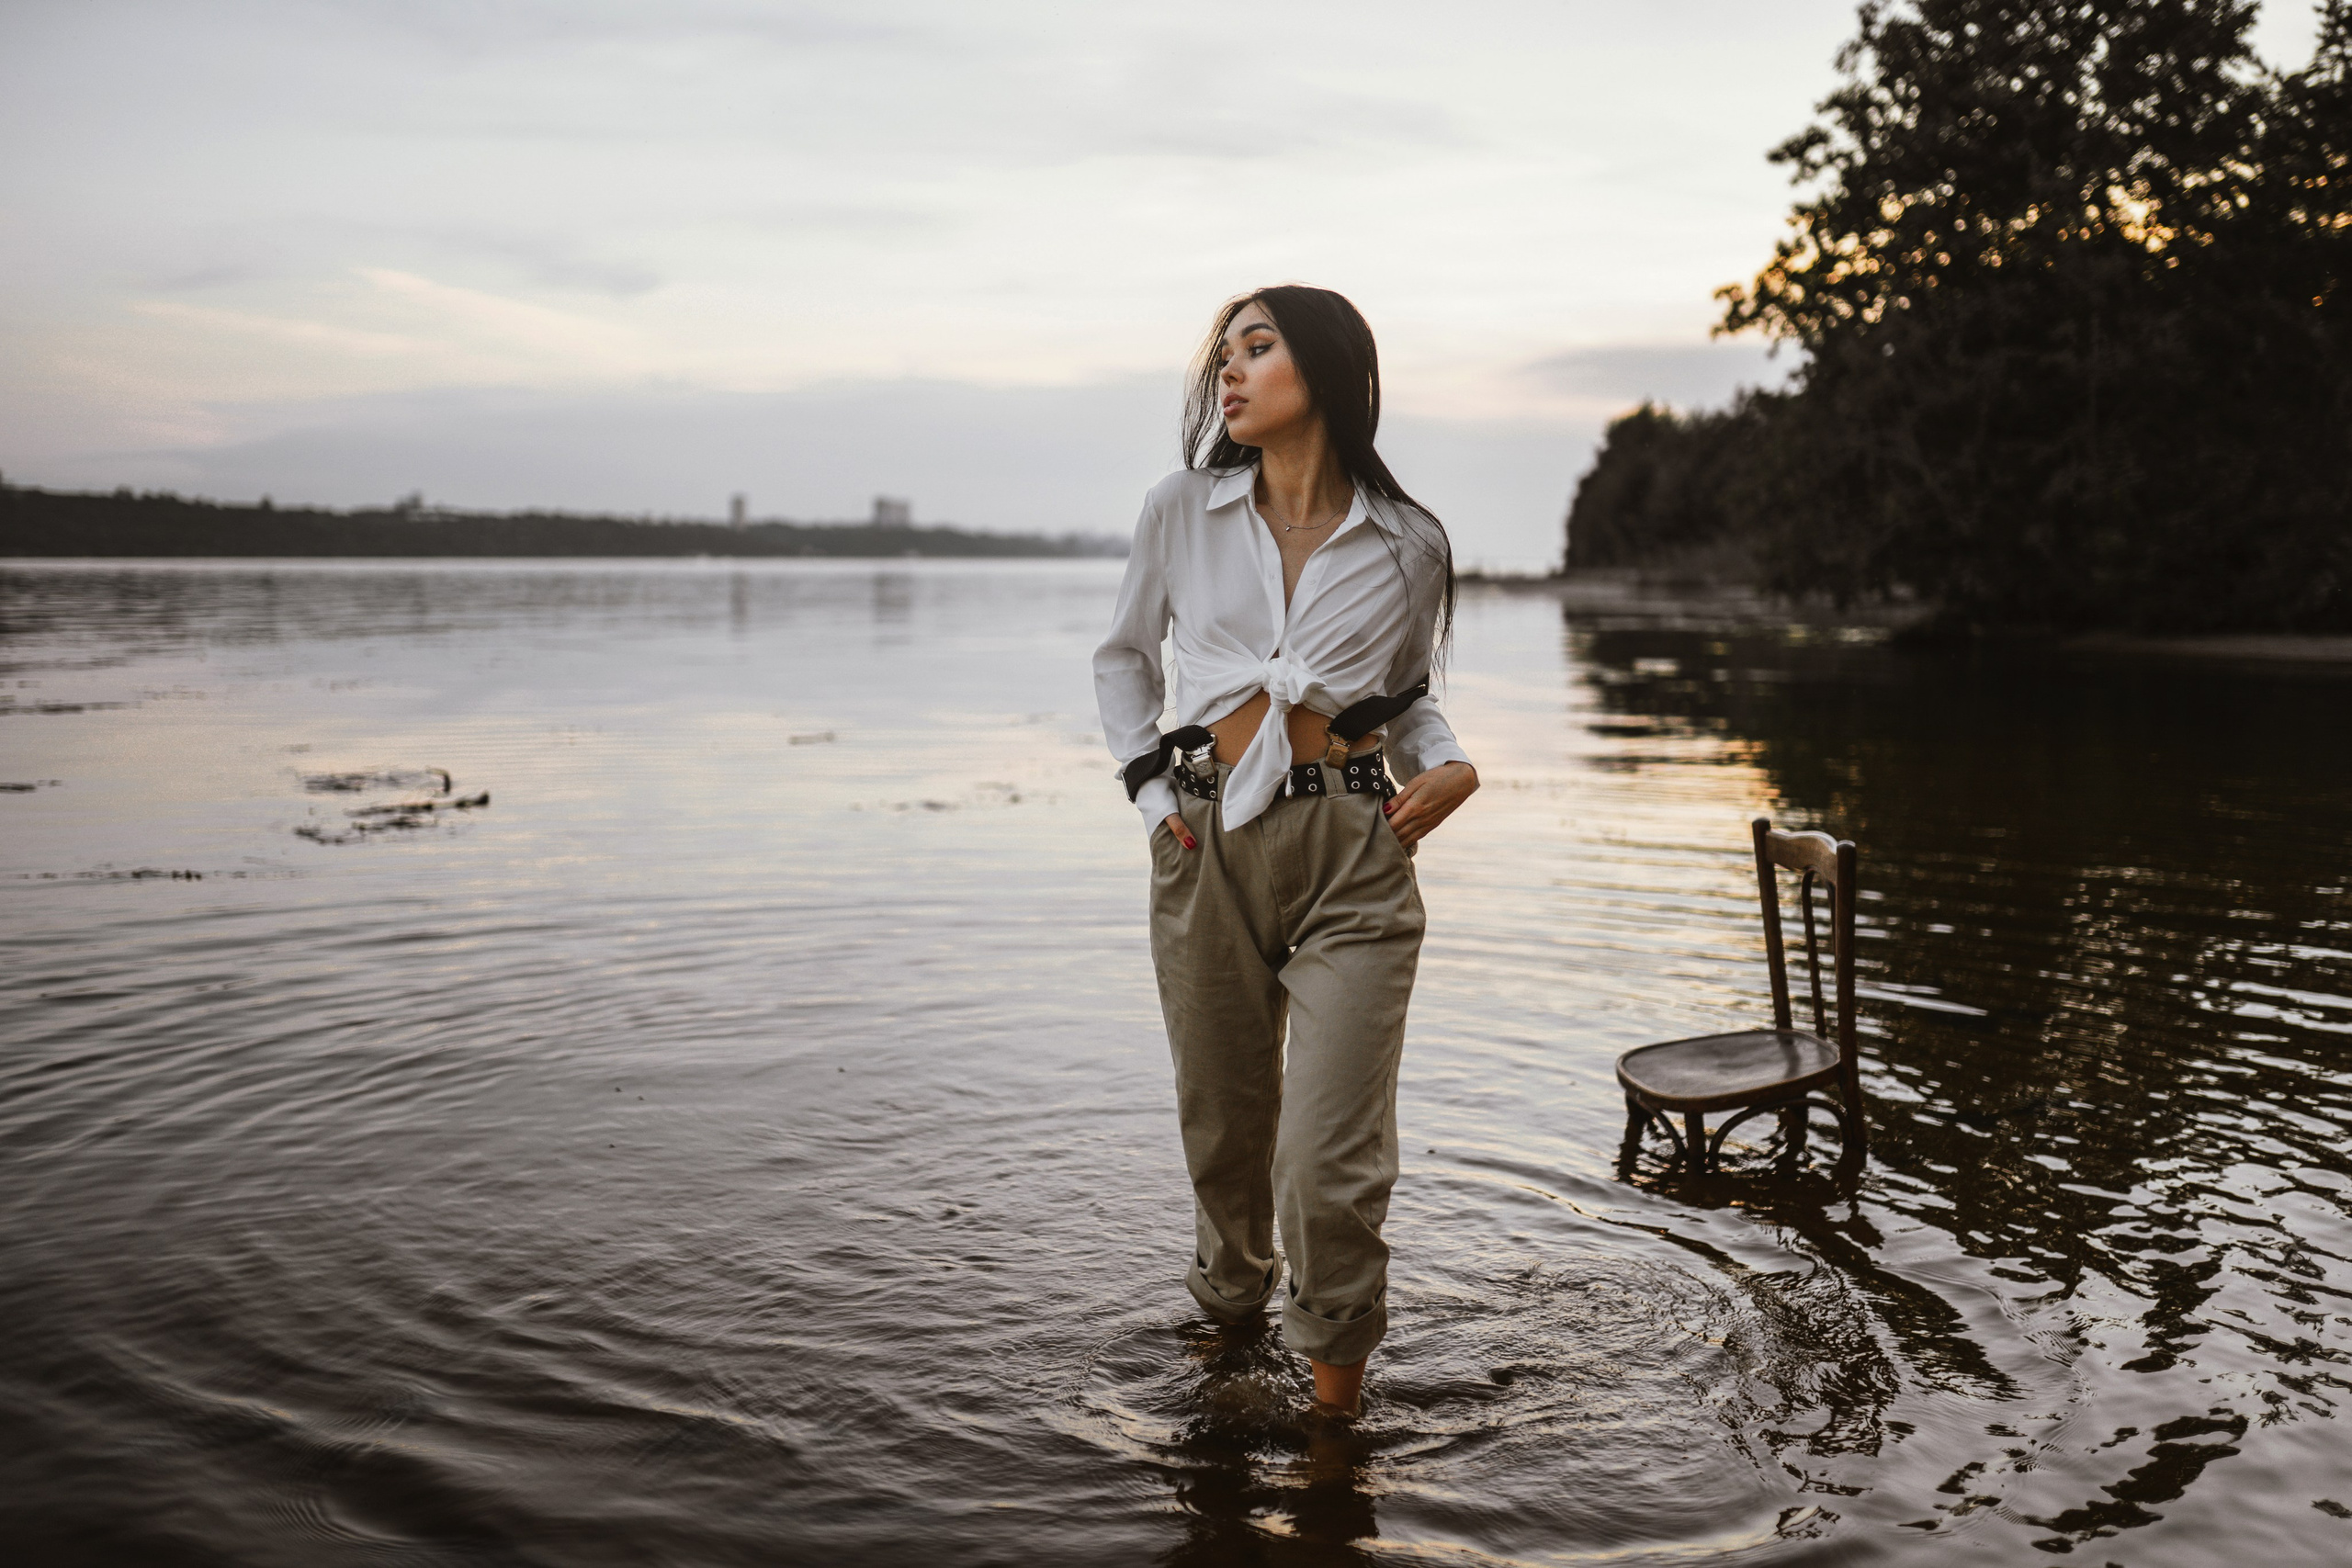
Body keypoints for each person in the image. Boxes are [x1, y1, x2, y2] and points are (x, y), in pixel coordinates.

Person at [1093, 285, 1479, 1417]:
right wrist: (1153, 797)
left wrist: (1448, 766)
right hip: (1203, 841)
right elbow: (1121, 660)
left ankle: (1330, 1439)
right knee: (1223, 1138)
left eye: (1256, 348)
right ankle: (1226, 1338)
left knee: (1327, 1166)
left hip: (1352, 853)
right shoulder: (1180, 509)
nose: (1229, 370)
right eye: (1224, 353)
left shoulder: (1409, 542)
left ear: (1325, 367)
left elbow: (1406, 707)